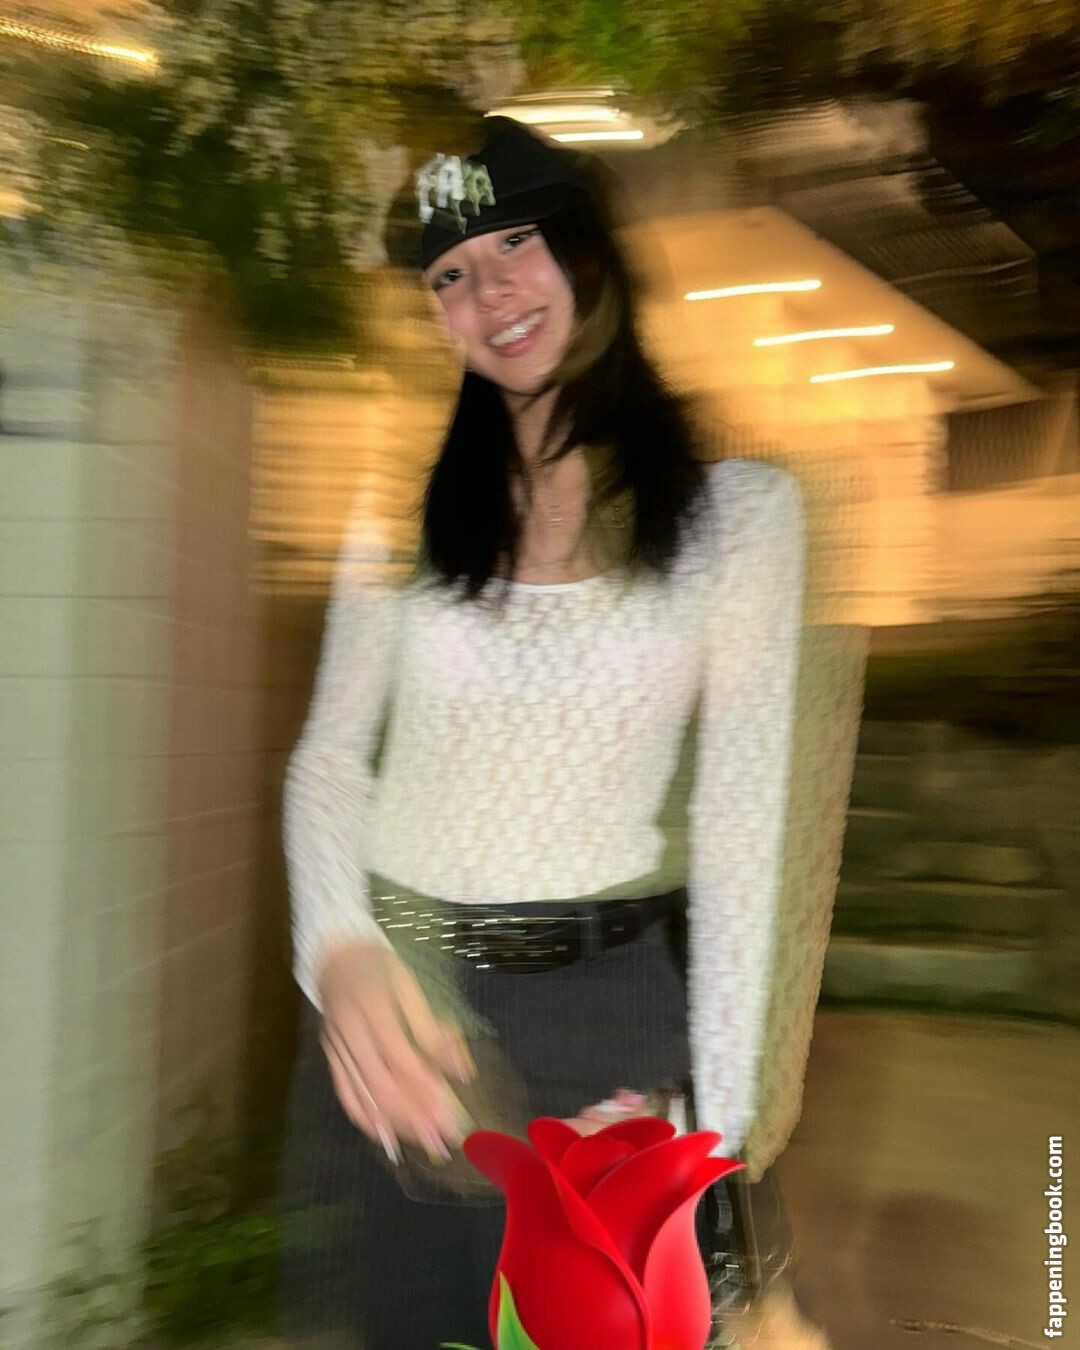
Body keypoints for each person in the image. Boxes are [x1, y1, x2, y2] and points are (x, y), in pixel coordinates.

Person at [280, 118, 804, 1349]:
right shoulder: (404, 509)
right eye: (449, 275)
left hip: (614, 1019)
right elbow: (329, 757)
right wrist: (337, 948)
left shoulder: (738, 518)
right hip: (413, 1009)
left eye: (515, 244)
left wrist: (717, 1133)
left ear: (586, 251)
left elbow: (743, 824)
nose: (489, 293)